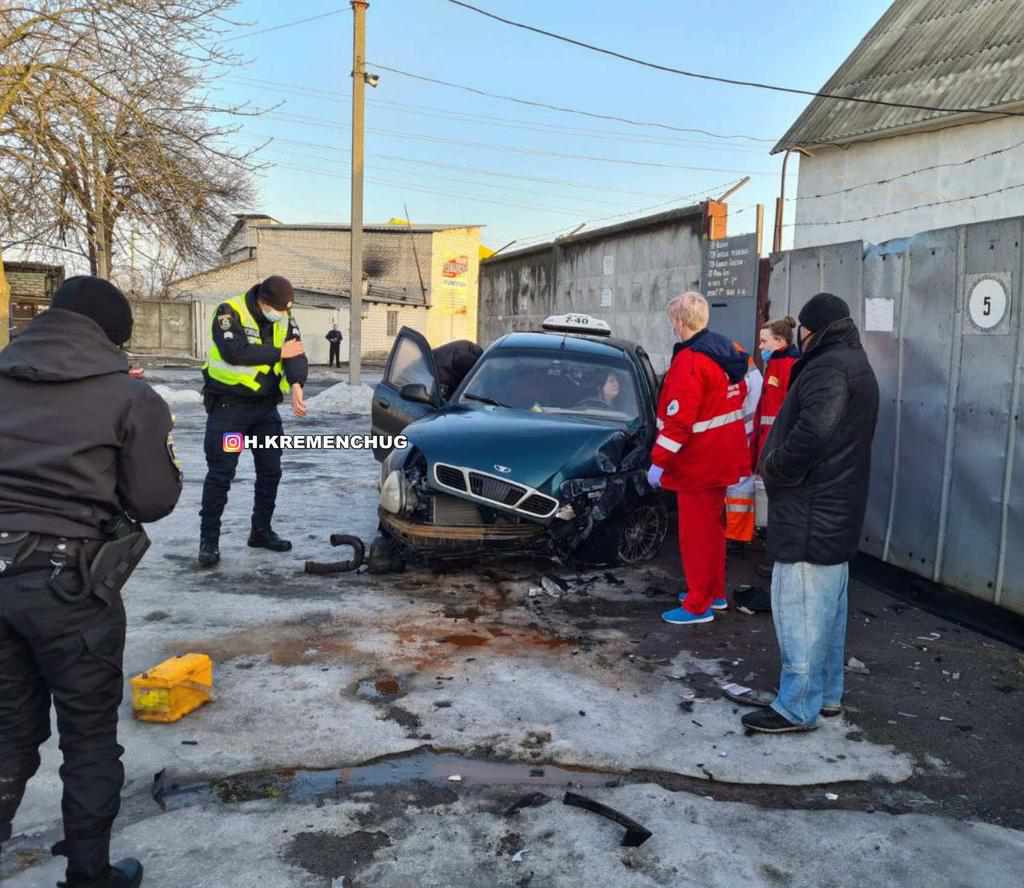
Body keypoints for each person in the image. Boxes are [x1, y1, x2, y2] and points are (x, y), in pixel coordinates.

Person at [0, 276, 182, 888]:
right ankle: (89, 873)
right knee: (87, 736)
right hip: (68, 588)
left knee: (5, 726)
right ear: (112, 337)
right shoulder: (129, 399)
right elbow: (154, 500)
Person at [742, 293, 879, 734]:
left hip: (810, 513)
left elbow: (813, 432)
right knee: (826, 619)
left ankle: (797, 706)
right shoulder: (853, 362)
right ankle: (827, 697)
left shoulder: (828, 367)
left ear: (812, 328)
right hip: (834, 513)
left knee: (799, 616)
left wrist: (774, 467)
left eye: (801, 327)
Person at [646, 292, 751, 625]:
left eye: (672, 321)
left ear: (679, 322)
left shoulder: (691, 361)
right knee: (712, 530)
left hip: (697, 463)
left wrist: (659, 461)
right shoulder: (728, 354)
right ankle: (713, 592)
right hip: (722, 456)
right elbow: (737, 398)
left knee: (696, 536)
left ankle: (697, 604)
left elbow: (678, 421)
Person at [198, 275, 308, 568]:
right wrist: (278, 352)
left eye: (286, 310)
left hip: (264, 412)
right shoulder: (229, 311)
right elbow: (234, 353)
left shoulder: (284, 315)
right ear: (263, 301)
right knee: (222, 474)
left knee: (271, 471)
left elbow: (295, 353)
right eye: (278, 309)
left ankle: (261, 531)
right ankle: (209, 541)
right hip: (230, 410)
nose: (282, 315)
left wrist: (297, 384)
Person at [724, 345, 763, 548]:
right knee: (740, 486)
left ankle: (736, 537)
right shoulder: (753, 373)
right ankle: (738, 535)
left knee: (738, 486)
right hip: (747, 435)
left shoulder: (741, 375)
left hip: (741, 436)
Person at [752, 316, 800, 471]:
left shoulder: (790, 367)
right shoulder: (774, 365)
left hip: (777, 450)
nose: (760, 346)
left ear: (779, 341)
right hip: (769, 448)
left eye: (764, 341)